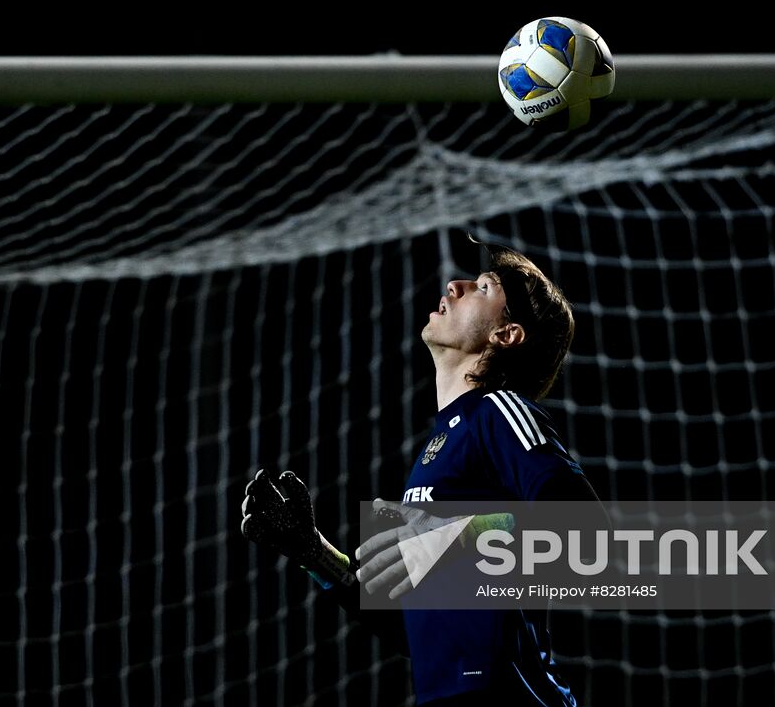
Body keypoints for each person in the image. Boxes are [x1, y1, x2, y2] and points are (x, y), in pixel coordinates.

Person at [241, 239, 605, 706]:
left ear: (506, 334)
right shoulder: (439, 446)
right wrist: (316, 554)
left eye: (483, 287)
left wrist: (452, 541)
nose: (455, 285)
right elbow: (421, 633)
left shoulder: (499, 410)